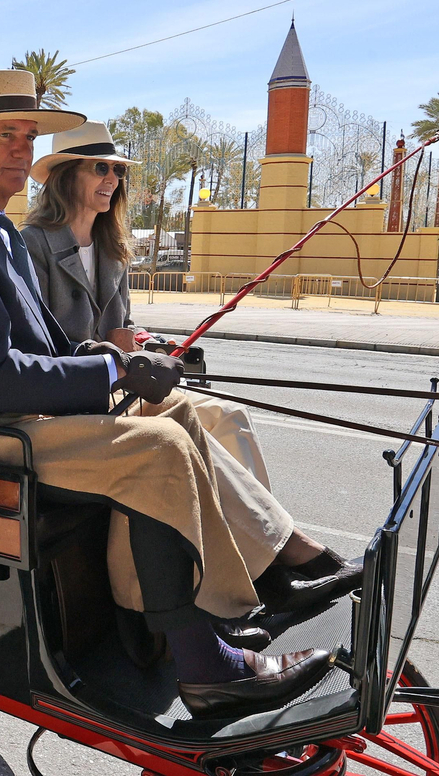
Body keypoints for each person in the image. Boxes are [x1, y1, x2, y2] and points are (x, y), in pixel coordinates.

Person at [0, 70, 333, 719]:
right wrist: (112, 376)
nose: (21, 148)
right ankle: (205, 666)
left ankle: (257, 582)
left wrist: (117, 358)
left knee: (183, 412)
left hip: (15, 413)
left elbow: (41, 345)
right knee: (157, 448)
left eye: (28, 134)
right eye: (5, 135)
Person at [21, 121, 360, 607]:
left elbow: (124, 327)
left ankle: (253, 558)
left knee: (231, 418)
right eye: (101, 168)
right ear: (65, 175)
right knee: (181, 428)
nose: (112, 179)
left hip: (119, 386)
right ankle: (285, 555)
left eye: (118, 170)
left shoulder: (112, 250)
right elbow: (42, 342)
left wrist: (153, 344)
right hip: (76, 396)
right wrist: (113, 354)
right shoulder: (33, 245)